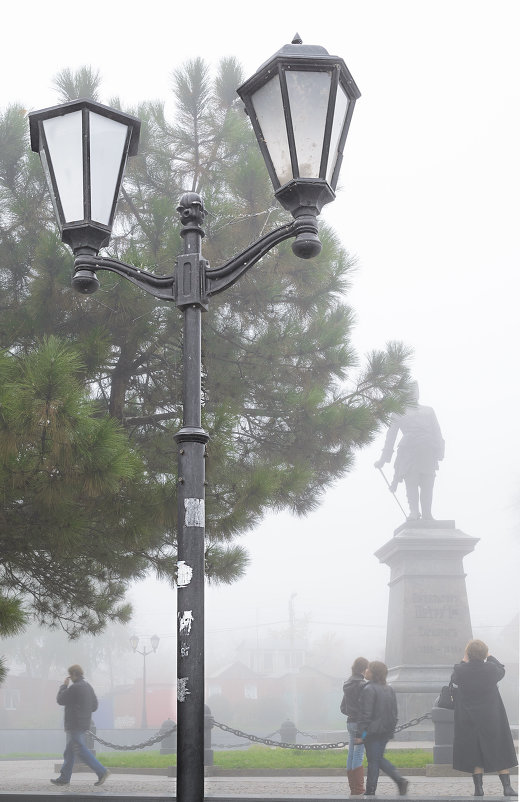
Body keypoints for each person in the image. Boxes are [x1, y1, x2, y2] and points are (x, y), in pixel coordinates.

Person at [451, 639, 517, 797]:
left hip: (469, 718)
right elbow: (502, 669)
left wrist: (464, 659)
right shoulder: (491, 669)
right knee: (500, 749)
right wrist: (490, 655)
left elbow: (454, 679)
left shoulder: (461, 670)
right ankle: (507, 787)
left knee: (475, 752)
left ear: (468, 653)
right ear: (484, 653)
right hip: (491, 717)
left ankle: (478, 788)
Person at [374, 381, 444, 521]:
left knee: (427, 482)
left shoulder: (428, 410)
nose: (414, 393)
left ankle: (427, 514)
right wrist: (383, 459)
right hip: (409, 450)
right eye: (411, 390)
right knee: (411, 481)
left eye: (416, 390)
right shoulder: (398, 413)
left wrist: (440, 451)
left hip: (427, 450)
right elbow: (391, 436)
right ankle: (414, 511)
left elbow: (437, 432)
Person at [51, 664, 110, 787]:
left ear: (73, 674)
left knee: (81, 750)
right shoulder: (88, 687)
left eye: (70, 675)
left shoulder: (74, 688)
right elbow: (94, 706)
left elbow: (60, 700)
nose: (70, 678)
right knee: (69, 752)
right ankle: (64, 777)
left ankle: (102, 771)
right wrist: (83, 710)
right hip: (84, 724)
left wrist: (64, 686)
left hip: (74, 724)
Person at [355, 661, 408, 796]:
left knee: (374, 761)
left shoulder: (368, 689)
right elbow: (394, 712)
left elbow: (365, 715)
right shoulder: (389, 689)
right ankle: (397, 781)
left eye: (368, 669)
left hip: (372, 732)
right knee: (377, 759)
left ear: (373, 673)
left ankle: (372, 790)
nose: (365, 671)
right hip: (385, 731)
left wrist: (361, 734)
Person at [340, 657, 369, 795]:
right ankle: (358, 789)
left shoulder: (347, 683)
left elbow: (342, 708)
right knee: (358, 753)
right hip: (361, 726)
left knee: (351, 753)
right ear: (364, 669)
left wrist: (352, 712)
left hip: (350, 723)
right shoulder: (363, 685)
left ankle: (353, 787)